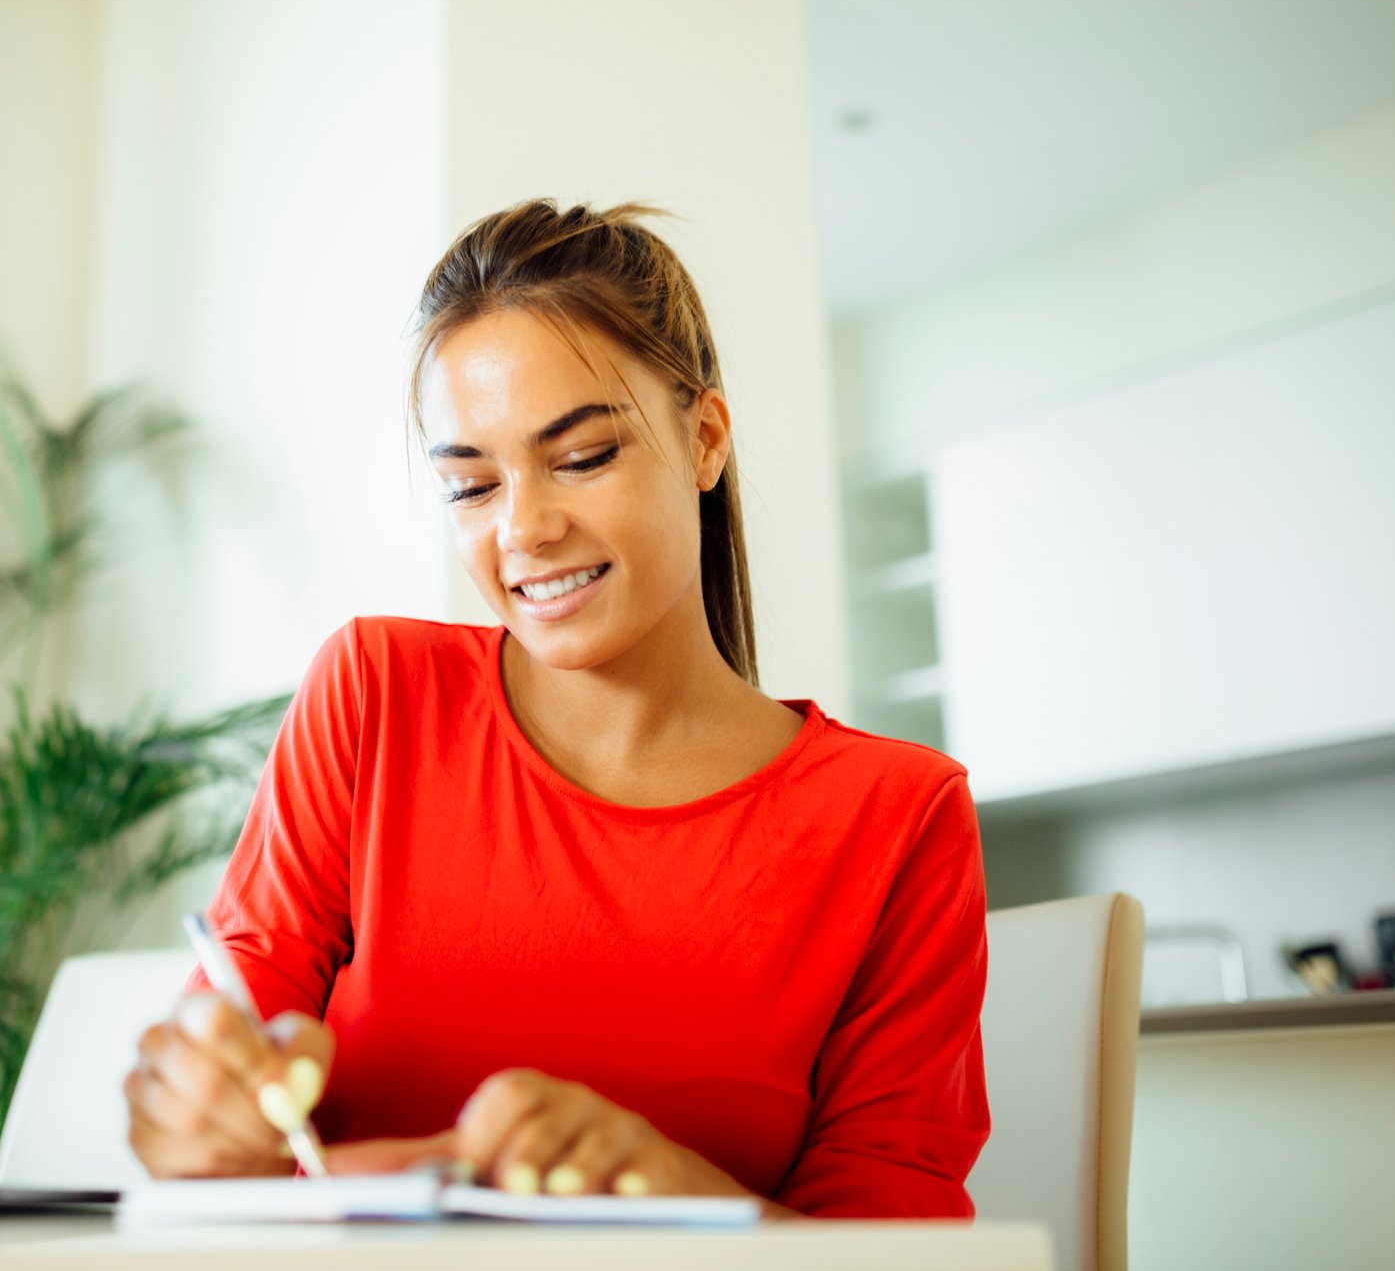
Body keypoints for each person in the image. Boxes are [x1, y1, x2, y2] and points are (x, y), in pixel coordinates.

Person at [122, 199, 989, 1218]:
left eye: (581, 458)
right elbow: (231, 1063)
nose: (524, 528)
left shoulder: (898, 814)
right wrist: (193, 1114)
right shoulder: (374, 694)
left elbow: (895, 1238)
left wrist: (673, 1192)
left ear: (704, 439)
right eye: (472, 487)